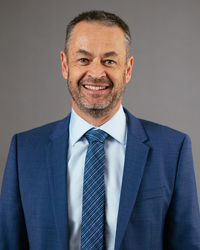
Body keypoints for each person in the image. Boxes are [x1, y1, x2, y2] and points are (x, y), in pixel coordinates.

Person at [0, 10, 200, 250]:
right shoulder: (24, 151)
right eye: (83, 59)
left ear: (128, 69)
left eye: (109, 61)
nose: (96, 73)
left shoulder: (173, 150)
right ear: (65, 65)